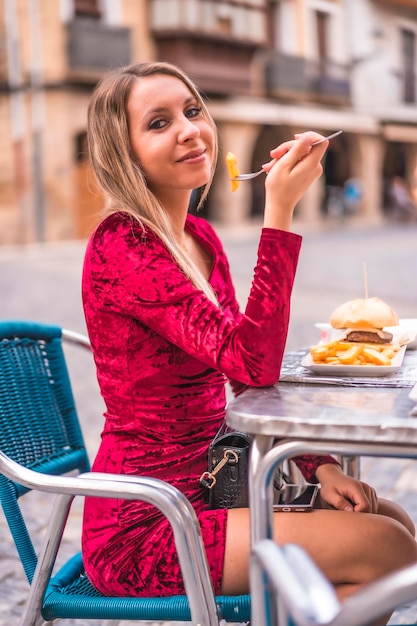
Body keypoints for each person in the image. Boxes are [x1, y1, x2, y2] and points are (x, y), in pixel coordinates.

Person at [82, 61, 417, 622]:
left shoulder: (198, 235)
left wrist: (318, 466)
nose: (189, 129)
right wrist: (280, 213)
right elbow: (253, 360)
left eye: (192, 111)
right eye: (158, 123)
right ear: (125, 152)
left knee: (395, 523)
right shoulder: (124, 244)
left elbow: (239, 372)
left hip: (216, 486)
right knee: (390, 551)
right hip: (147, 521)